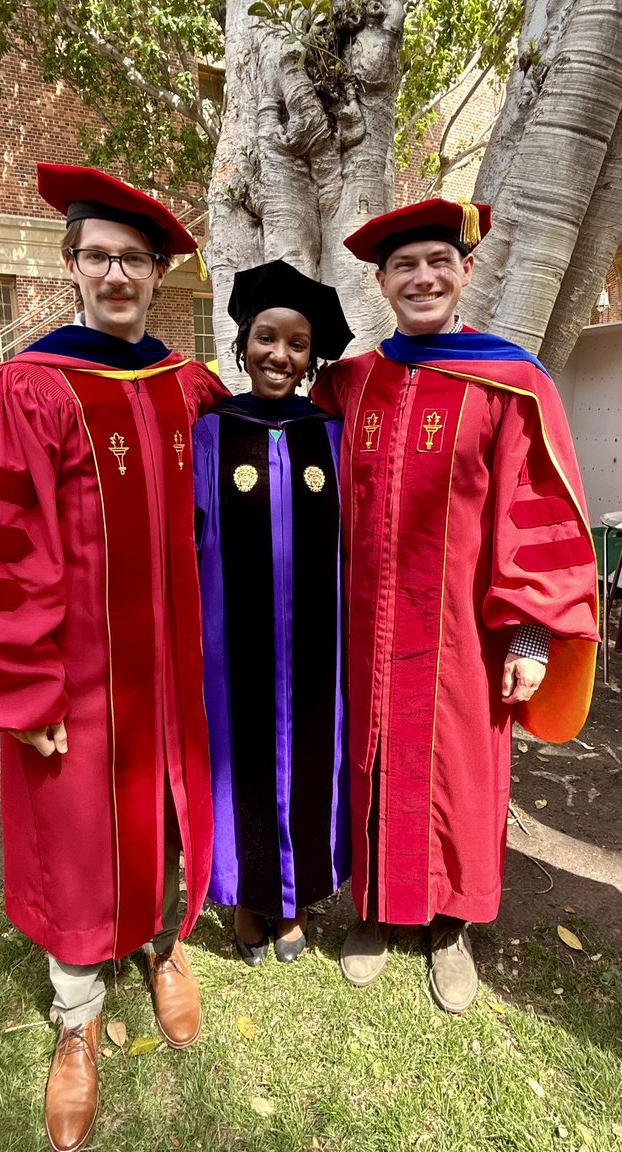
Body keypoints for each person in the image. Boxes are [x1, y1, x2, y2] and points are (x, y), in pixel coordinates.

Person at [0, 162, 229, 1152]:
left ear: (160, 272)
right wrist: (21, 686)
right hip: (74, 684)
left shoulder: (194, 390)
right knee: (78, 846)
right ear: (70, 266)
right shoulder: (28, 389)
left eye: (136, 259)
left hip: (179, 678)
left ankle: (166, 948)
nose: (118, 275)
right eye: (101, 257)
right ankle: (77, 1022)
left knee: (173, 819)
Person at [312, 198, 598, 1013]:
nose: (423, 276)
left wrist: (534, 632)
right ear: (382, 283)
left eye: (439, 261)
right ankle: (372, 908)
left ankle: (449, 926)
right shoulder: (350, 386)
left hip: (465, 639)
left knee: (461, 778)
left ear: (466, 273)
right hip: (363, 634)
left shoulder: (511, 383)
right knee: (365, 764)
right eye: (405, 265)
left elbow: (537, 508)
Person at [194, 260, 353, 965]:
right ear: (242, 343)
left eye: (296, 344)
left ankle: (293, 902)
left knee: (313, 763)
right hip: (235, 647)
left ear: (312, 357)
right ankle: (248, 900)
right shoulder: (210, 434)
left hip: (320, 649)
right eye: (266, 338)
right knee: (242, 766)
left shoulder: (334, 435)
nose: (279, 356)